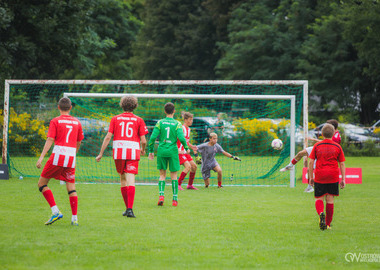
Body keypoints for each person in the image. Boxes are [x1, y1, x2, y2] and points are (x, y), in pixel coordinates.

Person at [96, 96, 148, 218]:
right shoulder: (139, 120)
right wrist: (143, 149)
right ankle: (130, 209)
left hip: (119, 151)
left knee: (123, 179)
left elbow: (108, 137)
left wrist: (101, 153)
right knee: (131, 179)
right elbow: (144, 140)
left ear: (122, 105)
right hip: (132, 151)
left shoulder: (115, 119)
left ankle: (127, 208)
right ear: (135, 106)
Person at [36, 97, 84, 226]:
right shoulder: (77, 122)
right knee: (71, 186)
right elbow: (79, 141)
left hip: (58, 155)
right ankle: (74, 219)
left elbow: (50, 139)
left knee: (42, 184)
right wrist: (74, 153)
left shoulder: (55, 121)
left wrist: (41, 157)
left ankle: (55, 211)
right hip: (71, 156)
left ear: (58, 107)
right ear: (70, 108)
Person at [280, 119, 341, 193]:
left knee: (310, 169)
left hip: (323, 151)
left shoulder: (336, 136)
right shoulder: (334, 133)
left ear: (332, 127)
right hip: (319, 147)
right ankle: (290, 166)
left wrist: (314, 139)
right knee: (301, 153)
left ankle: (310, 187)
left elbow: (329, 143)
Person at [148, 102, 190, 206]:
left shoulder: (160, 122)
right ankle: (174, 199)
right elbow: (181, 137)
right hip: (173, 151)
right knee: (174, 176)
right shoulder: (177, 124)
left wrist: (151, 151)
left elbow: (152, 138)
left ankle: (161, 196)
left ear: (165, 111)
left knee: (162, 175)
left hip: (162, 150)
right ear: (174, 111)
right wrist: (186, 147)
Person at [308, 123, 346, 230]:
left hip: (320, 175)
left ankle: (321, 213)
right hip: (333, 176)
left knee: (319, 198)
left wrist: (311, 177)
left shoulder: (317, 145)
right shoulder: (337, 146)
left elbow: (311, 162)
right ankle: (328, 225)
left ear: (321, 134)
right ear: (333, 133)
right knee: (330, 199)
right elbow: (342, 163)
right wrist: (343, 179)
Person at [177, 112, 198, 190]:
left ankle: (189, 185)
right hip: (179, 152)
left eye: (192, 119)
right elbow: (175, 140)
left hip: (185, 152)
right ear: (185, 120)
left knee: (194, 166)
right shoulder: (181, 128)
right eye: (190, 119)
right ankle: (178, 184)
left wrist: (192, 146)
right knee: (188, 166)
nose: (191, 121)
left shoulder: (188, 129)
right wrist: (177, 150)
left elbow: (186, 142)